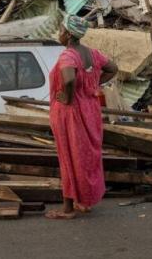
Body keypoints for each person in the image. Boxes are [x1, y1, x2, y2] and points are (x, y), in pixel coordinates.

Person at [46, 15, 118, 220]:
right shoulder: (92, 54)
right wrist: (92, 85)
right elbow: (113, 69)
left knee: (68, 157)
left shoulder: (68, 56)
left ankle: (68, 209)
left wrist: (68, 97)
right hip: (90, 110)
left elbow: (68, 78)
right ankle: (83, 201)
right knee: (86, 157)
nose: (59, 34)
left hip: (71, 113)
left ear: (69, 35)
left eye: (61, 30)